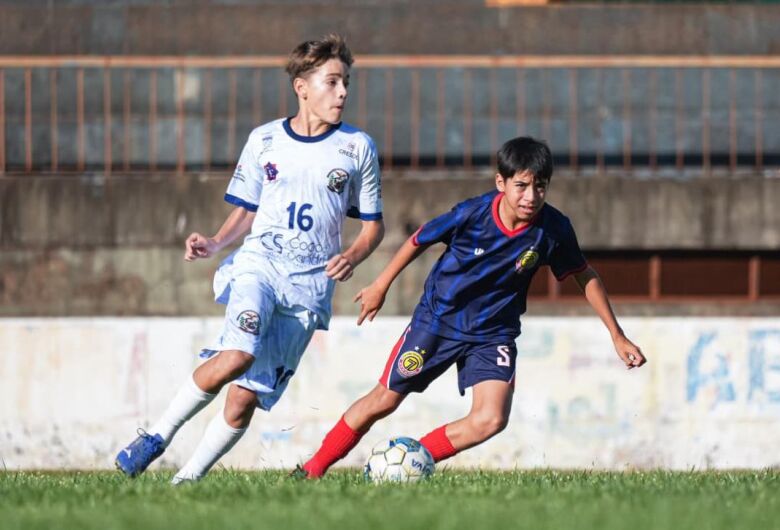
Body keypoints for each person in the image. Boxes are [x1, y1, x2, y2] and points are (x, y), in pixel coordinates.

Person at [115, 34, 384, 484]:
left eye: (346, 83)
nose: (342, 93)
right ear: (302, 86)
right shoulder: (264, 141)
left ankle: (186, 482)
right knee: (237, 354)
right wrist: (218, 243)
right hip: (259, 265)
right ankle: (157, 436)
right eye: (333, 82)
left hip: (309, 288)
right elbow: (248, 209)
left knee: (244, 399)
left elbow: (373, 226)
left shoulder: (358, 148)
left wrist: (353, 254)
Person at [297, 136, 646, 478]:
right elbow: (419, 238)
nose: (531, 196)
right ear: (501, 182)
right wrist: (380, 284)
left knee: (491, 419)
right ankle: (313, 469)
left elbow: (584, 275)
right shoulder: (472, 213)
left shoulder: (554, 229)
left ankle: (408, 460)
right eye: (521, 185)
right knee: (384, 400)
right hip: (438, 322)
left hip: (493, 333)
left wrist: (618, 336)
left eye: (540, 187)